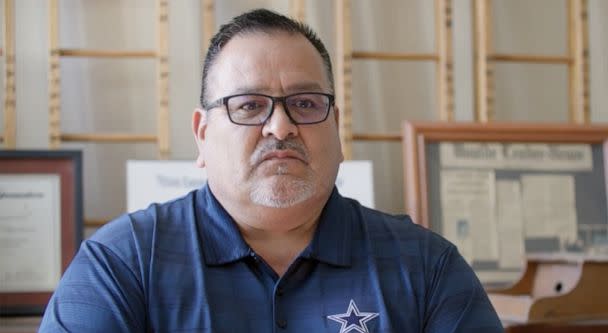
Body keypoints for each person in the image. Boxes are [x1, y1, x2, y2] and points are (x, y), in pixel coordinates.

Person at [40, 8, 503, 333]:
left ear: (336, 127)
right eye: (248, 106)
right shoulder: (121, 264)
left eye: (305, 104)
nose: (280, 127)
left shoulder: (426, 268)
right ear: (201, 134)